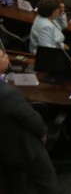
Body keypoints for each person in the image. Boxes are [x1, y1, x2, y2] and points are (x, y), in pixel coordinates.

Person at [0, 46, 59, 194]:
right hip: (25, 147)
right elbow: (32, 120)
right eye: (2, 56)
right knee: (46, 178)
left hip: (4, 149)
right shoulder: (8, 94)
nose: (7, 57)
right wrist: (43, 133)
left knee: (17, 182)